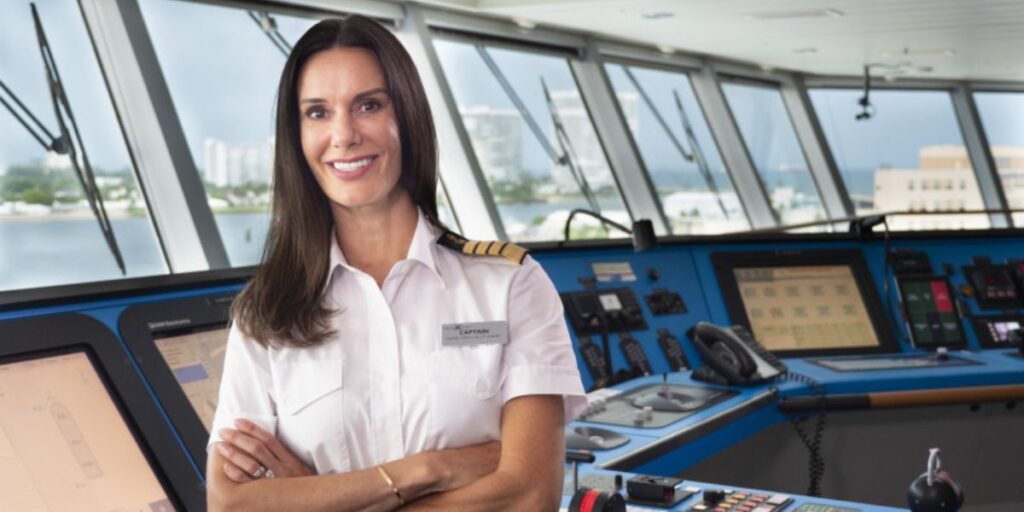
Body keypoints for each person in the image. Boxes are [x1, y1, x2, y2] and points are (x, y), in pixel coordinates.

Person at [205, 15, 586, 511]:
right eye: (317, 112)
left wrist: (315, 497)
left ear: (407, 117)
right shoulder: (267, 314)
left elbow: (530, 496)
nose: (343, 135)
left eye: (368, 105)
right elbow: (232, 504)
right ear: (296, 136)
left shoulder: (509, 288)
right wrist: (429, 470)